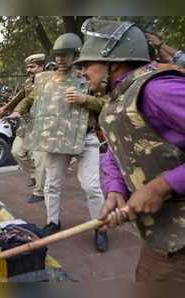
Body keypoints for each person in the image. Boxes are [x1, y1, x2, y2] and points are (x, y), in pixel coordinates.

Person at [75, 19, 185, 281]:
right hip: (163, 239)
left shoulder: (158, 89)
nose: (83, 72)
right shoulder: (120, 96)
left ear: (114, 62)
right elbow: (119, 144)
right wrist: (115, 189)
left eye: (87, 64)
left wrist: (161, 186)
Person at [15, 33, 108, 252]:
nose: (60, 59)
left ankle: (100, 227)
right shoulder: (45, 79)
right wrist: (19, 110)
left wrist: (86, 99)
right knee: (52, 183)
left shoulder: (91, 77)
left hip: (85, 137)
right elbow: (31, 98)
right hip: (57, 138)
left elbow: (108, 104)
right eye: (57, 55)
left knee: (91, 186)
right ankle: (52, 222)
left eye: (65, 55)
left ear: (76, 54)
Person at [3, 53, 47, 203]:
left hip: (42, 125)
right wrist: (6, 108)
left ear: (42, 67)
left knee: (40, 158)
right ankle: (36, 176)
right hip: (27, 123)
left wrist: (18, 111)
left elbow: (31, 99)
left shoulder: (49, 81)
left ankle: (40, 191)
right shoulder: (28, 82)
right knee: (17, 151)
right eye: (28, 67)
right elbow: (20, 97)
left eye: (33, 67)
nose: (29, 70)